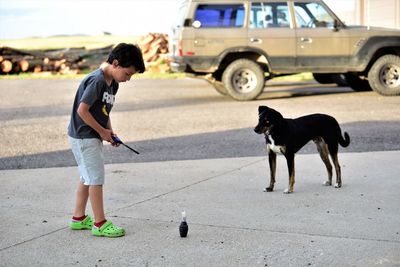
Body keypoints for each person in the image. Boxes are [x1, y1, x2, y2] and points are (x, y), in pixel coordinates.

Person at [67, 43, 145, 237]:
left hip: (90, 134)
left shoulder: (113, 84)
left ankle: (78, 218)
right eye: (127, 73)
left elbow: (103, 111)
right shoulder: (98, 81)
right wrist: (102, 132)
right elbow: (82, 111)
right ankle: (99, 223)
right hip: (84, 136)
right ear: (116, 63)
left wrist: (109, 132)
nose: (128, 79)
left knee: (87, 177)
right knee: (96, 178)